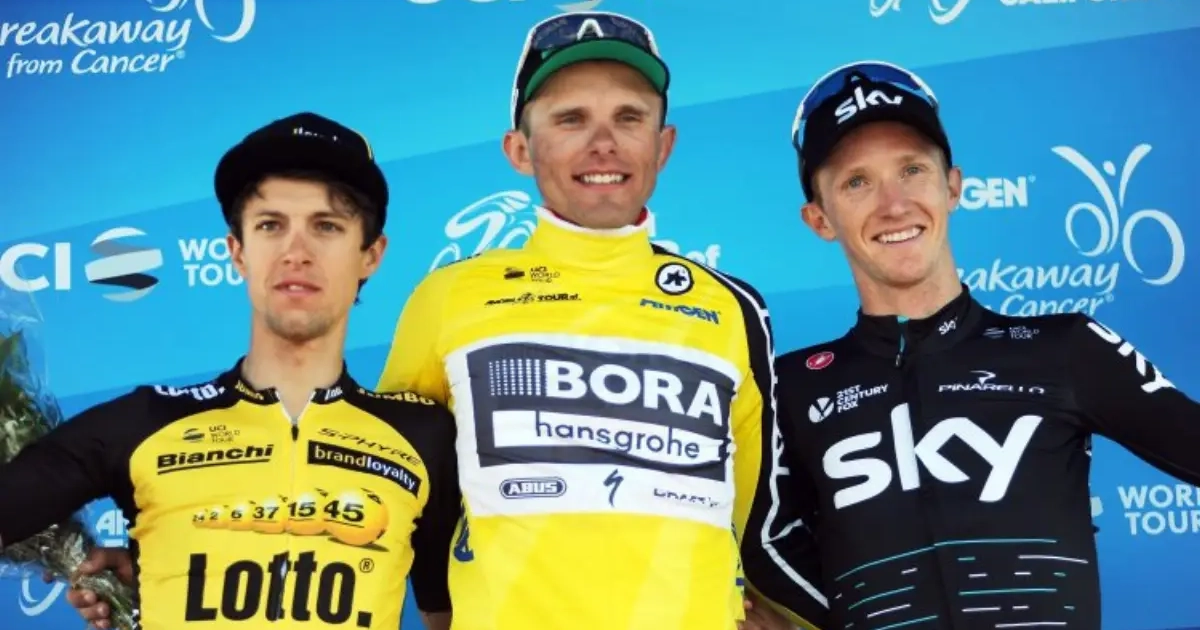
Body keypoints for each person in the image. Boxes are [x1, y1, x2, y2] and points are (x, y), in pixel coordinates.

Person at [374, 10, 821, 630]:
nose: (603, 143)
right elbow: (403, 490)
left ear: (663, 146)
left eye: (629, 117)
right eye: (571, 119)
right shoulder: (449, 297)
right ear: (520, 150)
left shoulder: (729, 307)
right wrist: (439, 610)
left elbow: (759, 518)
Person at [739, 60, 1200, 629]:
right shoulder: (788, 390)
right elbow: (760, 550)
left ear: (953, 186)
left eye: (912, 170)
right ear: (819, 219)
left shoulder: (1063, 348)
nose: (894, 204)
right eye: (857, 182)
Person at [3, 112, 461, 630]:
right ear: (237, 251)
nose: (296, 252)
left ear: (370, 255)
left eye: (327, 226)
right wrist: (112, 570)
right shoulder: (144, 422)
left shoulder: (424, 436)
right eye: (270, 225)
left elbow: (449, 615)